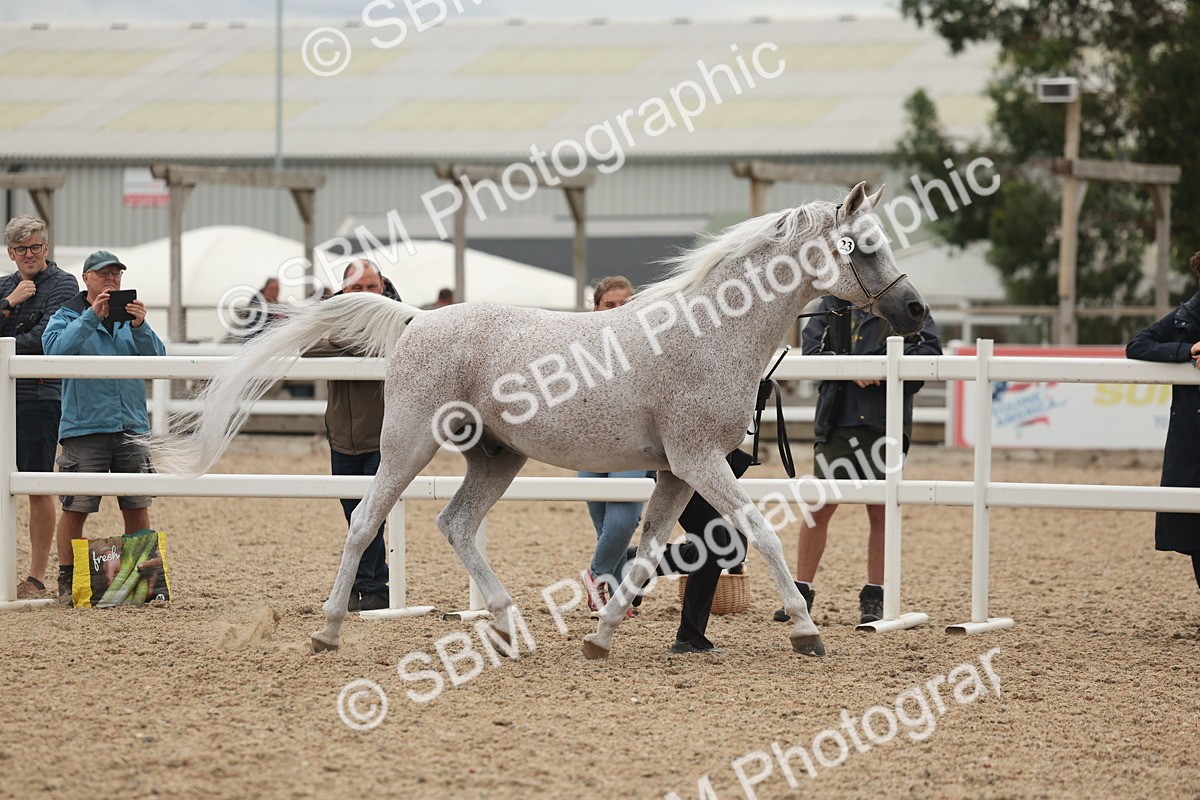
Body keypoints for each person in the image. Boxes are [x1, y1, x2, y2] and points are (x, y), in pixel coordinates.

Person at [773, 296, 941, 625]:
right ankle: (801, 590)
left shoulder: (907, 304)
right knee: (820, 506)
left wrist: (878, 367)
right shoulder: (831, 304)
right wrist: (854, 368)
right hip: (838, 420)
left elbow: (929, 352)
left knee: (880, 508)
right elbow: (812, 352)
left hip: (886, 423)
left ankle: (875, 595)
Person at [42, 250, 167, 599]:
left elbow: (159, 361)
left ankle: (144, 584)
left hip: (130, 424)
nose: (111, 280)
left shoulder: (131, 319)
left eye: (116, 274)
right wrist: (90, 319)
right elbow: (54, 354)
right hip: (86, 426)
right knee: (75, 507)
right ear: (86, 278)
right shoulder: (66, 315)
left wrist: (142, 327)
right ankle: (68, 581)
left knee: (137, 505)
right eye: (103, 274)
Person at [305, 259, 403, 612]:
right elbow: (307, 347)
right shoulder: (329, 317)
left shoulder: (401, 318)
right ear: (344, 289)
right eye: (356, 288)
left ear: (383, 286)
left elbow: (377, 346)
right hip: (342, 437)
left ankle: (373, 586)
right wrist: (347, 339)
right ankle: (369, 585)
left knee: (369, 515)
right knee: (354, 515)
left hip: (384, 437)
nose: (364, 295)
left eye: (370, 287)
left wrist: (338, 339)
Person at [0, 215, 79, 598]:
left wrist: (7, 323)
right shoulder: (4, 288)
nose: (28, 254)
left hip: (39, 397)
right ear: (11, 253)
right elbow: (28, 335)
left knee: (36, 485)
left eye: (34, 247)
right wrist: (7, 305)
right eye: (20, 249)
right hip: (4, 397)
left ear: (45, 248)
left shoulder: (64, 284)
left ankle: (35, 576)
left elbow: (45, 340)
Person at [1126, 249, 1200, 637]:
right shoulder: (1187, 315)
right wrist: (1186, 352)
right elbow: (1137, 346)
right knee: (1195, 529)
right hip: (1193, 438)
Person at [579, 276, 649, 614]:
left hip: (632, 443)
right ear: (595, 308)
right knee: (606, 526)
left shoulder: (649, 345)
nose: (619, 311)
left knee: (621, 521)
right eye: (611, 305)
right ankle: (620, 597)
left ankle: (595, 577)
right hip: (587, 443)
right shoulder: (576, 347)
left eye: (626, 305)